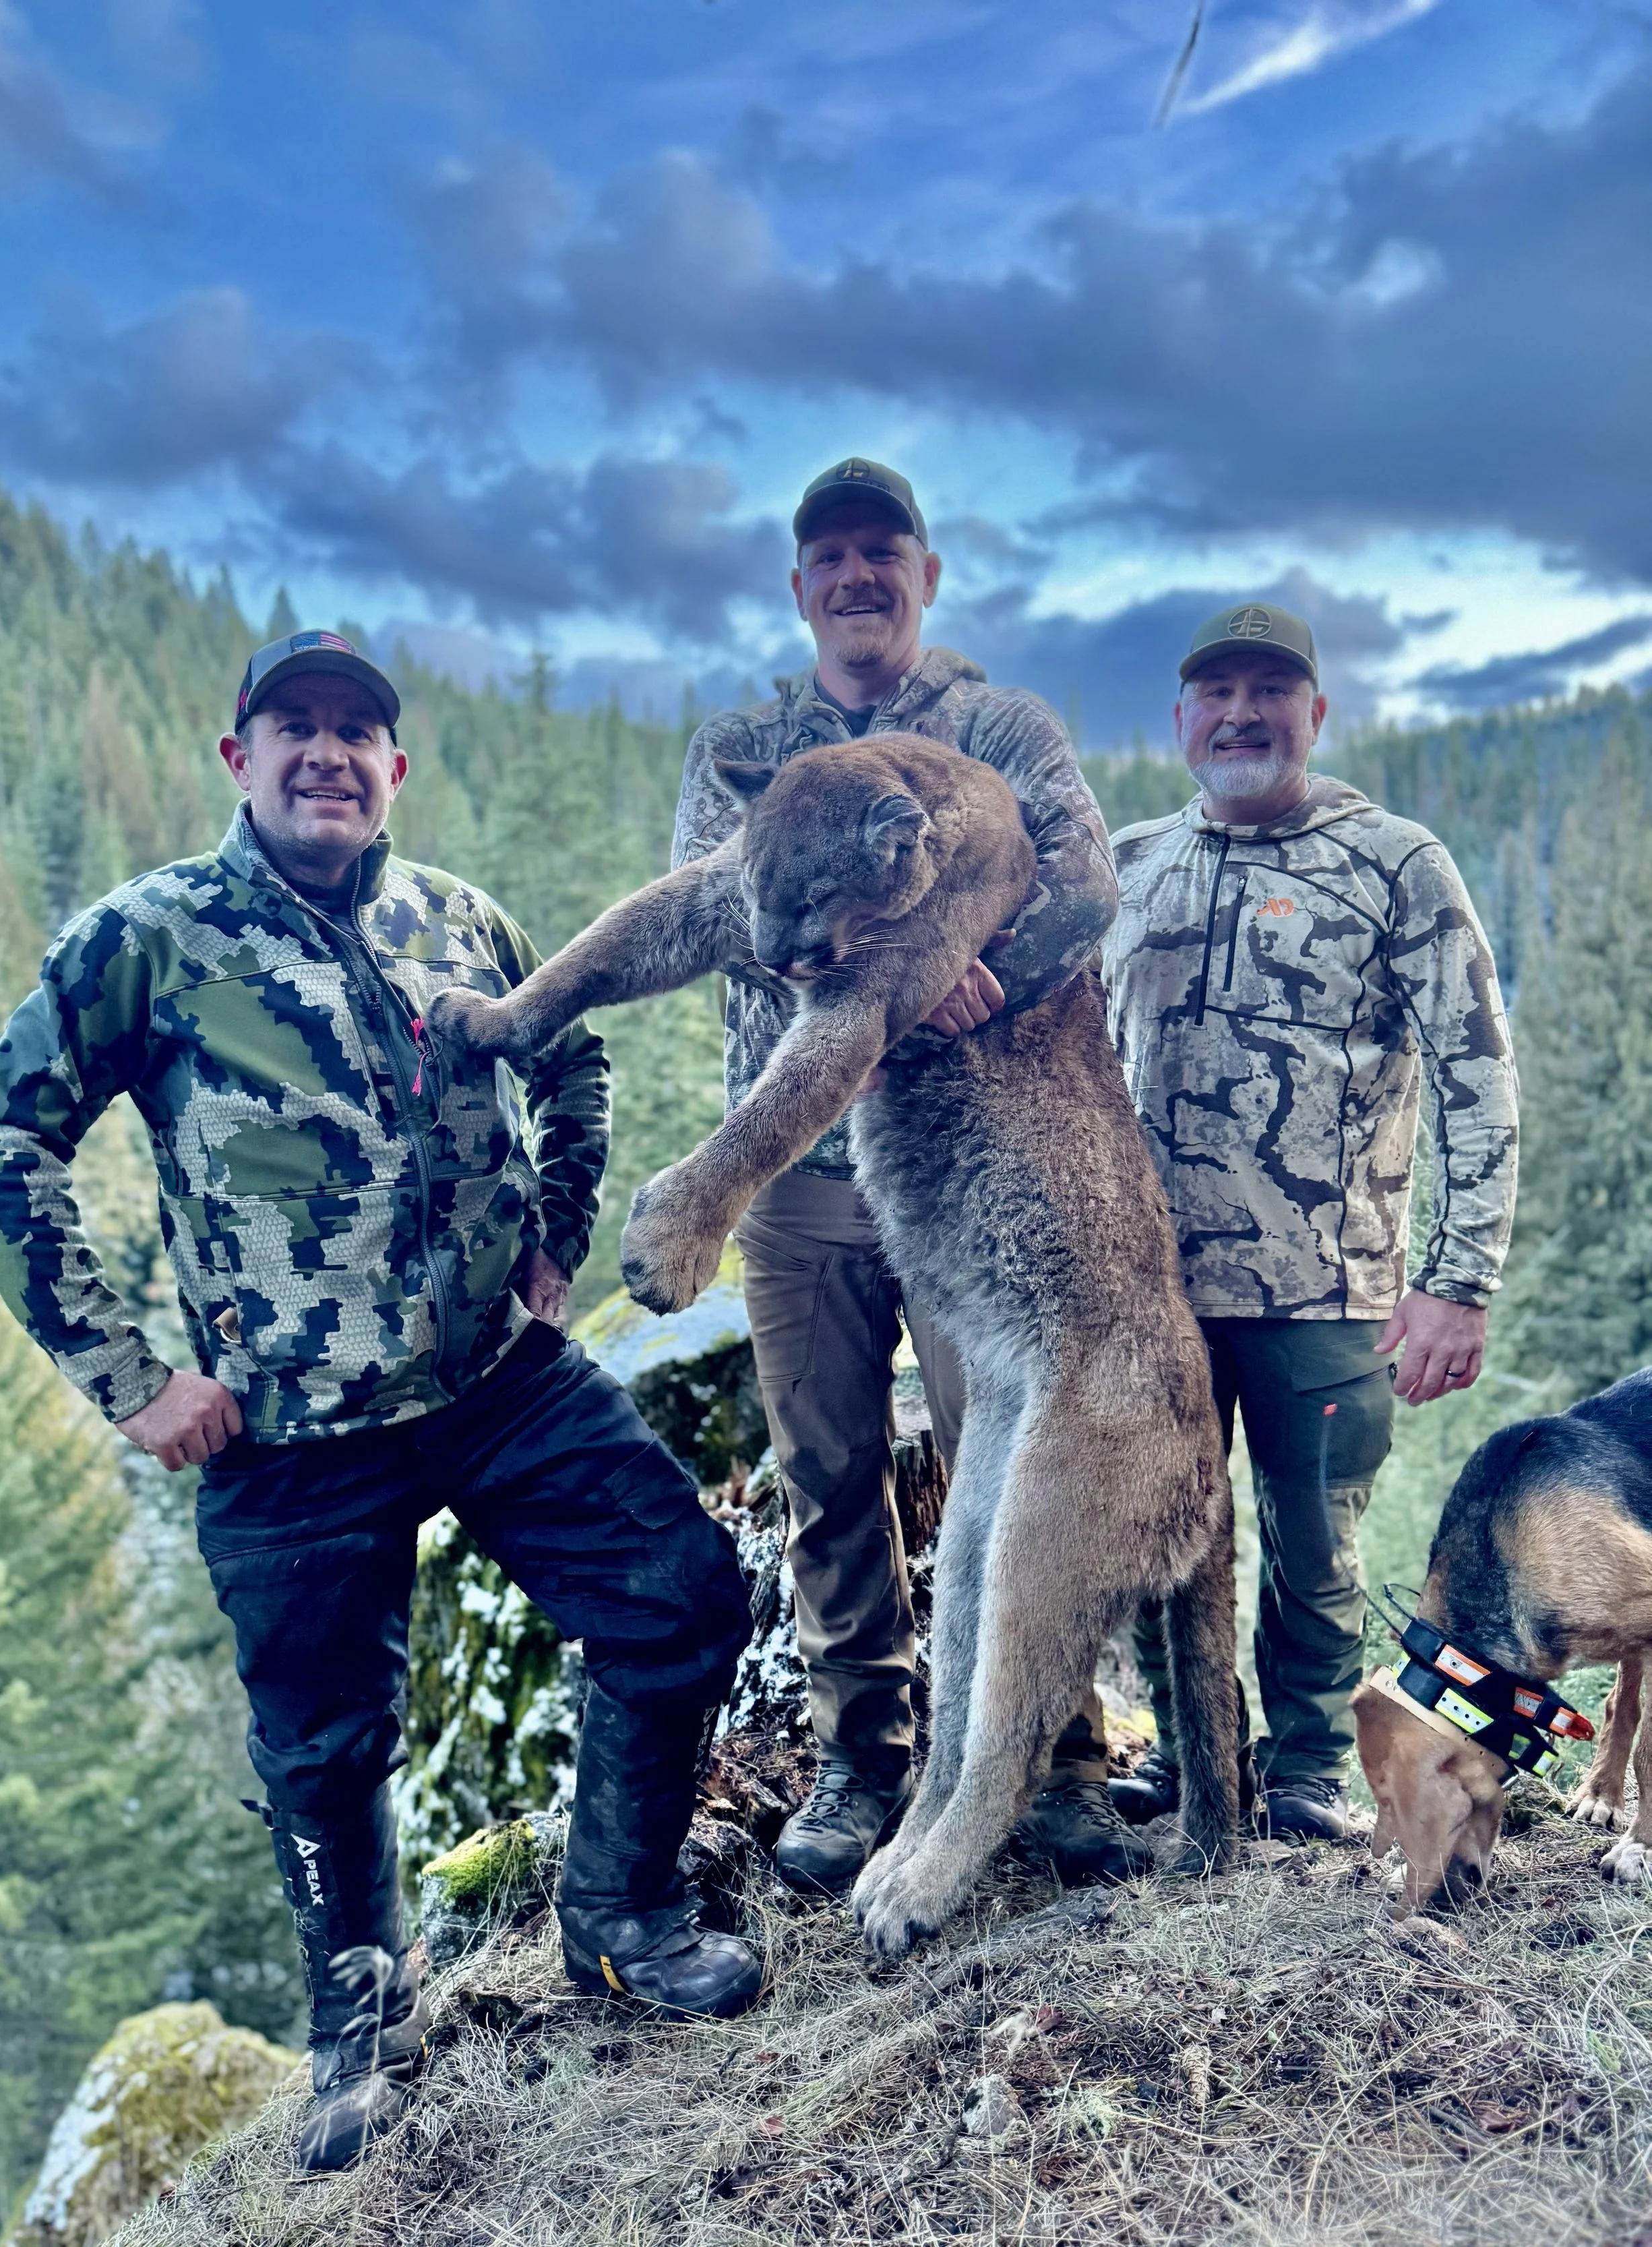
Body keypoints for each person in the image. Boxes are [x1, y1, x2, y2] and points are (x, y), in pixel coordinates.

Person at [0, 630, 760, 2173]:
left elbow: (570, 1062)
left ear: (394, 766)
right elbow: (1, 1137)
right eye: (295, 728)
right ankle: (361, 2022)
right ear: (238, 758)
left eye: (356, 732)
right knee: (323, 1749)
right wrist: (131, 1378)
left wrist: (553, 1230)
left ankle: (619, 1918)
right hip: (285, 1432)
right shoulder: (151, 938)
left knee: (678, 1592)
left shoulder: (456, 917)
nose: (327, 753)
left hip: (491, 1379)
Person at [673, 457, 1149, 1894]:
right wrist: (867, 962)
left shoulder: (1000, 726)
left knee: (1005, 1457)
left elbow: (1084, 885)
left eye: (884, 550)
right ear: (797, 585)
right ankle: (862, 1755)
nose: (858, 575)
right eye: (829, 555)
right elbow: (716, 906)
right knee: (824, 1470)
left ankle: (1052, 1758)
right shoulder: (741, 750)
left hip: (971, 1167)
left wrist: (974, 977)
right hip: (805, 1170)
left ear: (924, 575)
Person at [1101, 600, 1519, 1841]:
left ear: (1314, 713)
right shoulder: (1124, 867)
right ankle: (1195, 1765)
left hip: (1326, 1292)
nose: (1243, 712)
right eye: (1217, 690)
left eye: (1270, 691)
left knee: (1316, 1553)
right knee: (1151, 1540)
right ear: (1181, 717)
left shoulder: (1395, 864)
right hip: (1142, 1293)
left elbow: (1475, 1072)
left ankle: (1297, 1775)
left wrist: (1460, 1276)